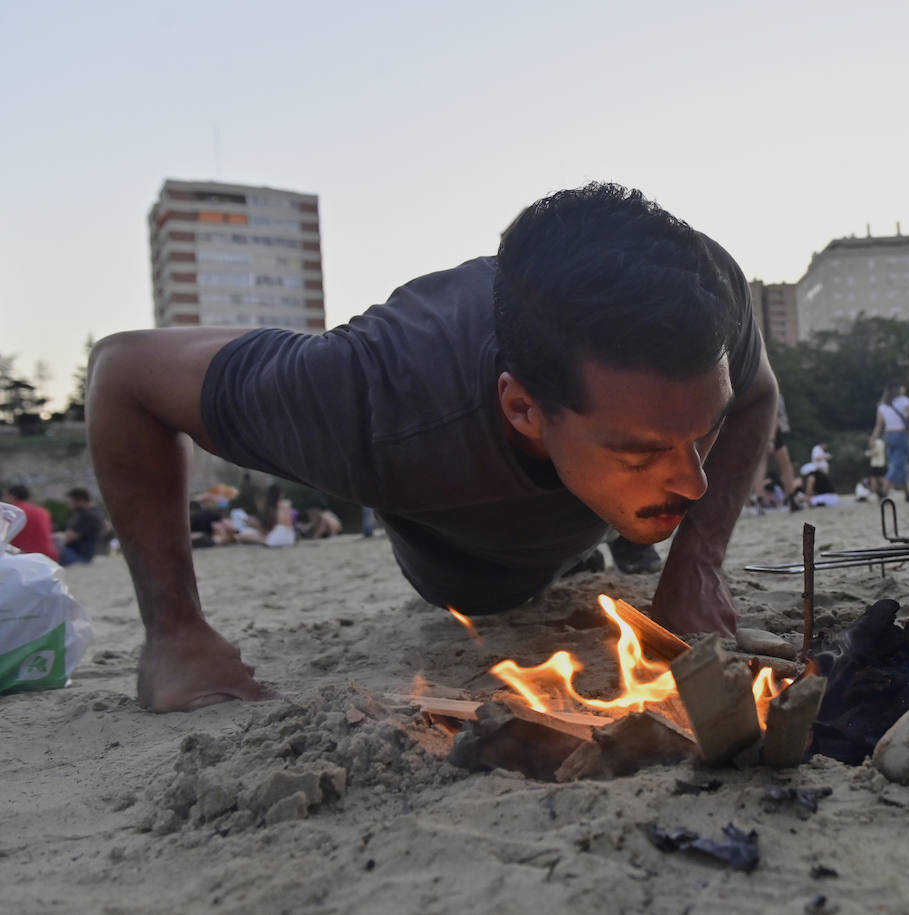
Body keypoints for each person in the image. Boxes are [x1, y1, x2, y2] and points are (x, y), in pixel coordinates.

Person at [86, 182, 777, 713]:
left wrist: (699, 560)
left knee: (661, 494)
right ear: (522, 408)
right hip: (468, 569)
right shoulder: (369, 399)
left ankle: (628, 533)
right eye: (639, 450)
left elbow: (753, 395)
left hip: (583, 502)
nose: (694, 482)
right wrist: (173, 631)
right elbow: (123, 373)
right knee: (485, 594)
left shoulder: (704, 298)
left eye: (700, 431)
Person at [872, 381, 909, 503]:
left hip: (888, 435)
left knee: (899, 464)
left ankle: (907, 493)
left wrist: (874, 437)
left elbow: (879, 425)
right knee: (898, 464)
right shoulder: (904, 401)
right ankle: (884, 489)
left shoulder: (882, 405)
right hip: (901, 435)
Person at [4, 484, 59, 561]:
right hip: (49, 557)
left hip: (24, 557)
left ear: (12, 496)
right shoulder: (43, 511)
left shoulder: (10, 512)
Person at [57, 487, 104, 566]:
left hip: (79, 556)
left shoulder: (87, 516)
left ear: (80, 501)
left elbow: (68, 538)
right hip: (86, 555)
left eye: (70, 502)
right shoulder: (94, 512)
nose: (69, 505)